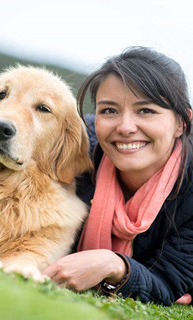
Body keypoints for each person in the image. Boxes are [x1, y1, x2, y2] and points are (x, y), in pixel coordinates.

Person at [43, 47, 193, 306]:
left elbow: (168, 284)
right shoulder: (77, 148)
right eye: (109, 111)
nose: (125, 127)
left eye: (146, 110)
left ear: (182, 122)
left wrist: (113, 264)